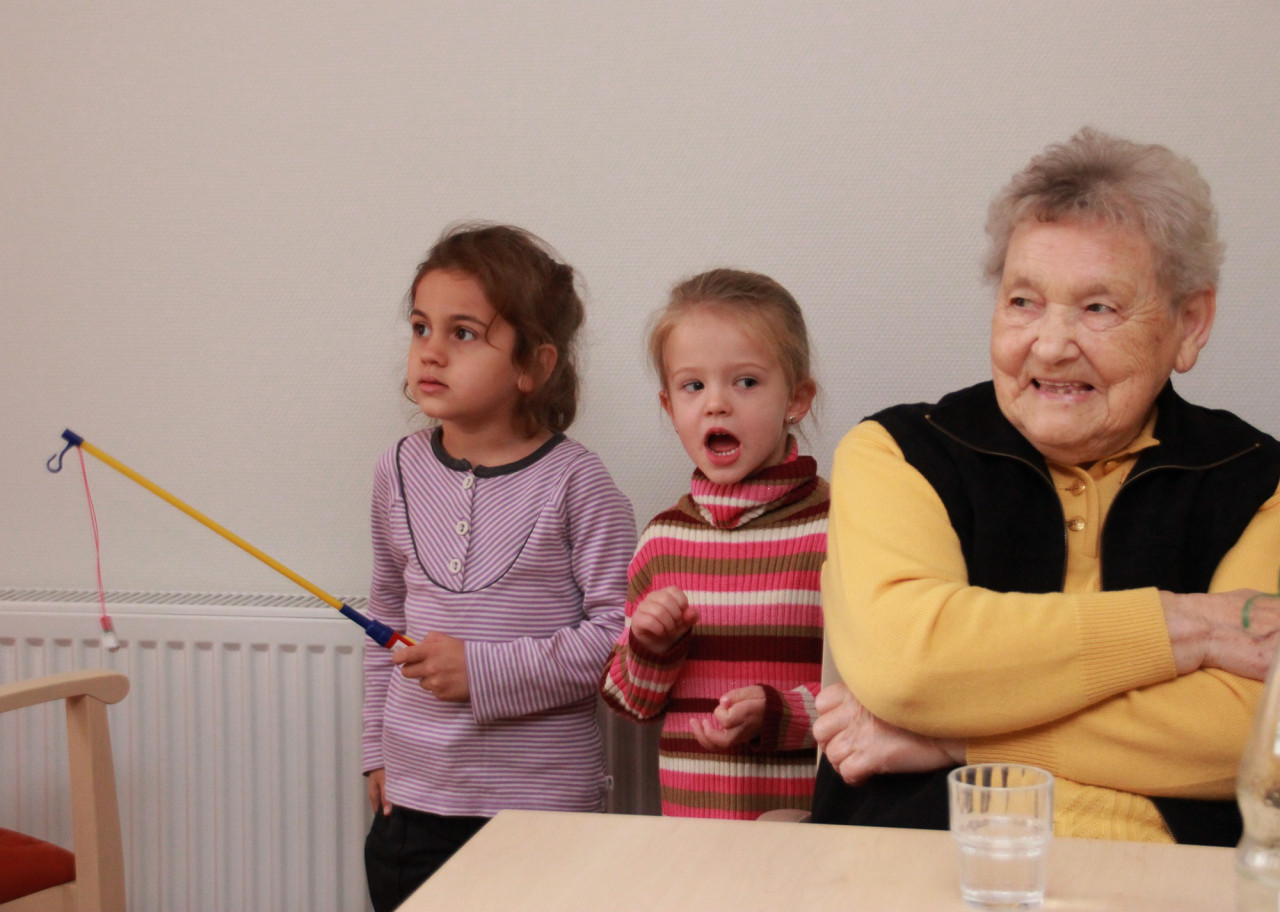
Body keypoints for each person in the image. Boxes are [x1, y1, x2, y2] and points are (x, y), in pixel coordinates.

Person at [812, 127, 1280, 847]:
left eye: (1098, 308)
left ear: (1190, 324)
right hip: (917, 869)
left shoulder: (1263, 482)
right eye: (1023, 301)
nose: (1052, 343)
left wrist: (957, 743)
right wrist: (1185, 625)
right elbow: (910, 666)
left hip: (1175, 884)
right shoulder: (894, 454)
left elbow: (1250, 731)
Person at [361, 223, 636, 910]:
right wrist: (376, 752)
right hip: (414, 807)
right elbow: (382, 620)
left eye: (462, 333)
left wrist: (481, 672)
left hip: (543, 809)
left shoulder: (579, 483)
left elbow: (616, 641)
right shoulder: (394, 471)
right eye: (422, 327)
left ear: (532, 367)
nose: (430, 352)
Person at [600, 268, 829, 819]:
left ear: (796, 398)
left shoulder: (838, 529)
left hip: (809, 833)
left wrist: (780, 715)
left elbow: (877, 697)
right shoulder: (662, 542)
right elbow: (630, 703)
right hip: (693, 834)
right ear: (669, 406)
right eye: (693, 386)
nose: (716, 404)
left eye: (745, 382)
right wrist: (651, 649)